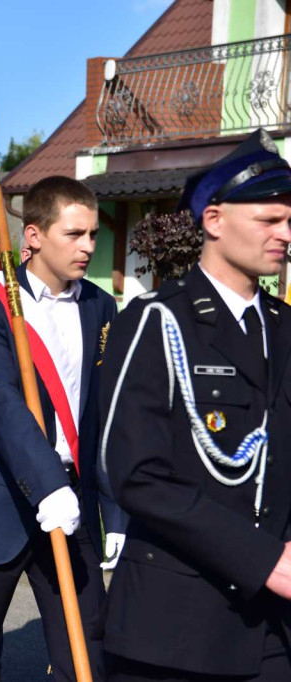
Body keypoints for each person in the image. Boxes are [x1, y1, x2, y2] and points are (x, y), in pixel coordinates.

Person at [100, 129, 291, 681]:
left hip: (273, 628)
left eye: (289, 220)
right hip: (177, 623)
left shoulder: (284, 328)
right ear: (214, 220)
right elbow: (134, 473)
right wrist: (263, 561)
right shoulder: (158, 320)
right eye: (268, 220)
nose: (284, 233)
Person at [0, 176, 125, 682]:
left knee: (87, 653)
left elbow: (103, 416)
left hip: (73, 504)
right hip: (1, 500)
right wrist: (47, 485)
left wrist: (116, 512)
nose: (87, 246)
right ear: (33, 236)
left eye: (93, 236)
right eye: (74, 234)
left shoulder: (101, 307)